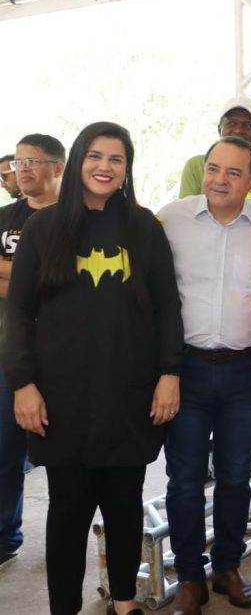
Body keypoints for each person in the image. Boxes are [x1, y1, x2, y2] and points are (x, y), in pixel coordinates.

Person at [6, 122, 183, 615]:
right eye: (96, 156)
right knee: (67, 511)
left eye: (117, 159)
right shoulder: (44, 227)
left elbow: (168, 306)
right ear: (79, 160)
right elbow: (18, 311)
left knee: (125, 504)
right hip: (62, 396)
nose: (105, 167)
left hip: (129, 392)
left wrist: (170, 373)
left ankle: (124, 602)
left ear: (127, 169)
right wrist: (23, 383)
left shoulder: (143, 226)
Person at [159, 136, 251, 615]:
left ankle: (227, 566)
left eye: (233, 172)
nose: (220, 180)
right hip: (184, 371)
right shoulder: (171, 220)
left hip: (242, 372)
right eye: (213, 168)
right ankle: (190, 575)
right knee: (185, 480)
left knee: (235, 475)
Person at [0, 134, 64, 573]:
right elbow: (38, 280)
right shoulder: (5, 217)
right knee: (5, 450)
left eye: (32, 161)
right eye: (17, 163)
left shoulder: (71, 218)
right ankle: (6, 537)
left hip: (62, 354)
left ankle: (65, 536)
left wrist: (17, 278)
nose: (21, 170)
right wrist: (30, 276)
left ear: (58, 168)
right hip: (9, 350)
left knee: (61, 454)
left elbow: (59, 282)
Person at [178, 96, 251, 224]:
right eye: (231, 123)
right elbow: (184, 216)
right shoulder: (195, 166)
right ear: (219, 129)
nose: (238, 130)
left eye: (247, 125)